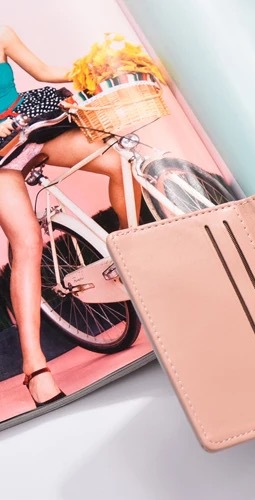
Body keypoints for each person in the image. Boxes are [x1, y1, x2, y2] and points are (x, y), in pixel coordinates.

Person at [0, 25, 139, 407]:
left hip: (30, 129)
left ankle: (133, 258)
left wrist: (95, 68)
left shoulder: (2, 32)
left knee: (119, 164)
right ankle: (35, 368)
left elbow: (44, 72)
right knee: (27, 242)